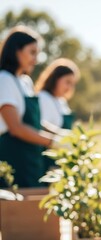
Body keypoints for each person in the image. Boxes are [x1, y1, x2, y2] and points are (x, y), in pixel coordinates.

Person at [0, 26, 60, 187]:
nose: (36, 59)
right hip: (13, 160)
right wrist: (53, 142)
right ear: (16, 51)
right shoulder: (5, 80)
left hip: (32, 160)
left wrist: (61, 135)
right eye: (32, 52)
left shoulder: (25, 82)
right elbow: (16, 127)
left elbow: (34, 121)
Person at [35, 58, 80, 171]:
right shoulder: (43, 98)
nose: (69, 88)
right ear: (55, 79)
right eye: (67, 82)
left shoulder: (61, 101)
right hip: (47, 157)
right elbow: (40, 125)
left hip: (60, 156)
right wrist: (61, 136)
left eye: (73, 84)